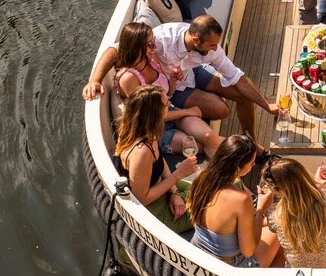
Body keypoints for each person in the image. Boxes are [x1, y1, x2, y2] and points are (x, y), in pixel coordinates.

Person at [83, 16, 280, 159]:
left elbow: (237, 76)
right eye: (211, 46)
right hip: (170, 99)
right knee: (221, 110)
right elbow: (114, 50)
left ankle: (253, 144)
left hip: (187, 77)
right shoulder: (159, 40)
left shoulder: (155, 59)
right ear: (196, 40)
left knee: (244, 96)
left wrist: (267, 105)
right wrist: (95, 80)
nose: (215, 50)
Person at [113, 22, 223, 157]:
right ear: (136, 46)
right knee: (197, 145)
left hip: (170, 111)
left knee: (208, 136)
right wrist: (188, 111)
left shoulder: (152, 60)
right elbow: (151, 116)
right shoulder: (128, 78)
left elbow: (169, 93)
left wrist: (172, 80)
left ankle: (244, 153)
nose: (154, 47)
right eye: (149, 44)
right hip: (154, 128)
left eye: (153, 42)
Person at [114, 86, 198, 232]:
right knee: (223, 195)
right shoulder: (142, 152)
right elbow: (142, 198)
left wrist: (174, 192)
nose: (170, 105)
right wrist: (178, 175)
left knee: (219, 182)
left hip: (165, 191)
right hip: (158, 214)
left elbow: (158, 158)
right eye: (165, 104)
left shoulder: (139, 131)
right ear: (154, 114)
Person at [186, 134, 276, 268]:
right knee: (280, 229)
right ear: (238, 167)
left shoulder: (202, 177)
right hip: (228, 265)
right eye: (252, 163)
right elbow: (248, 251)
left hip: (198, 250)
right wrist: (261, 210)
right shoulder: (241, 200)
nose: (253, 165)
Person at [260, 156, 326, 269]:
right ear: (303, 173)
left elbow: (301, 207)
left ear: (277, 190)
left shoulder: (273, 214)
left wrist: (260, 210)